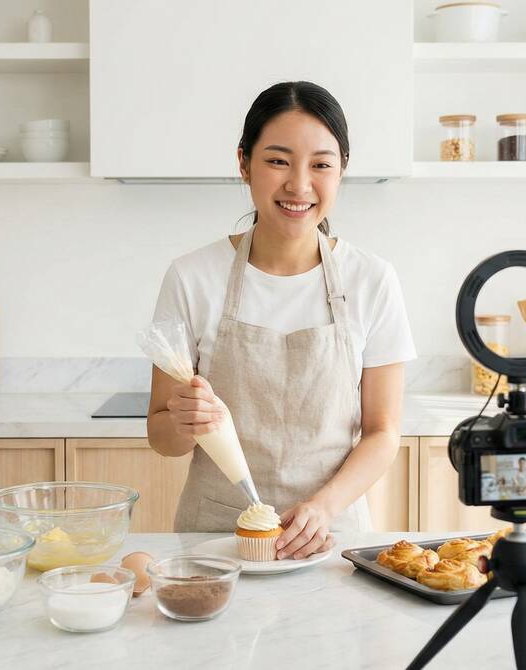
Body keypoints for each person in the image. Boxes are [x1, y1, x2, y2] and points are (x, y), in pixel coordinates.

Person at [147, 81, 416, 560]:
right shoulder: (192, 277)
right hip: (215, 542)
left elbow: (382, 431)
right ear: (244, 164)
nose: (299, 184)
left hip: (332, 539)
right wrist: (182, 424)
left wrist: (324, 506)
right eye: (277, 160)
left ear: (342, 171)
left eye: (320, 164)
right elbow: (162, 436)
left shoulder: (372, 280)